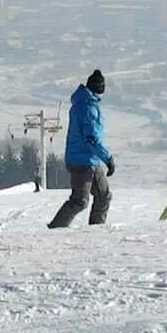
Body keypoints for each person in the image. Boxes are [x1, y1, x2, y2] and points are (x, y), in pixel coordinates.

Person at [48, 69, 115, 228]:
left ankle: (96, 229)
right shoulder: (87, 107)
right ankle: (55, 229)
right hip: (82, 161)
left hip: (89, 159)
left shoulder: (87, 103)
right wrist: (108, 159)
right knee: (80, 200)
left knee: (104, 196)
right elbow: (91, 139)